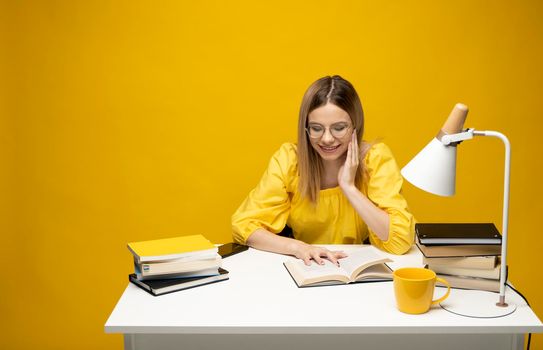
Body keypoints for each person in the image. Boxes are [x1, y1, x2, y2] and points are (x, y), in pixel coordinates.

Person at [231, 75, 415, 266]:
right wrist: (299, 248)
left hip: (357, 266)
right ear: (306, 128)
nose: (327, 139)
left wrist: (349, 187)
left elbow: (400, 241)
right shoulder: (289, 160)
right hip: (307, 265)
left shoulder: (375, 158)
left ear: (355, 126)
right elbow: (243, 226)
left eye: (339, 128)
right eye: (317, 128)